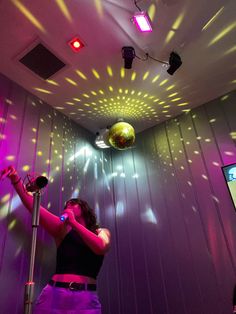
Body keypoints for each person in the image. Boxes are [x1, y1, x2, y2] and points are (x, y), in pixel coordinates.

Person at [1, 165, 111, 314]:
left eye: (73, 204)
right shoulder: (62, 230)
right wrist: (15, 178)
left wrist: (73, 223)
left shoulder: (101, 232)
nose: (68, 206)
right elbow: (33, 206)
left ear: (84, 209)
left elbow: (101, 247)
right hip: (54, 294)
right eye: (66, 205)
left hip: (84, 299)